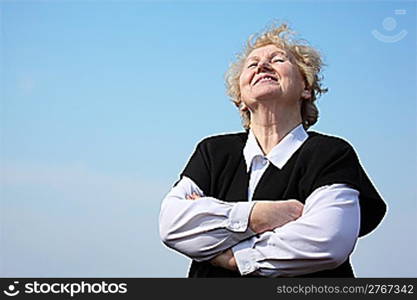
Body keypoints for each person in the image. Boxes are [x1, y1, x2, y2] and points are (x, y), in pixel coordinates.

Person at [159, 23, 387, 277]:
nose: (262, 65)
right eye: (252, 63)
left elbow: (327, 241)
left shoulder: (331, 153)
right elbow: (172, 224)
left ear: (306, 88)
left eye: (277, 59)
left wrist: (233, 256)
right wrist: (262, 215)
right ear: (240, 98)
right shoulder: (213, 152)